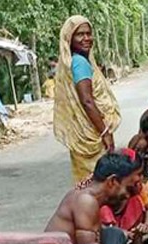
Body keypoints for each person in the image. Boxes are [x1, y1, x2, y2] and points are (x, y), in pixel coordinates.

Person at [53, 16, 121, 183]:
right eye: (80, 34)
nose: (86, 39)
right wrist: (104, 132)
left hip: (87, 134)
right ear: (69, 38)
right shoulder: (79, 63)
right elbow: (87, 101)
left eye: (89, 33)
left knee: (89, 182)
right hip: (92, 135)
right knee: (100, 184)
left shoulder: (76, 61)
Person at [98, 150, 148, 244]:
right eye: (138, 174)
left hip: (130, 235)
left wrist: (147, 225)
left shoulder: (136, 188)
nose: (141, 178)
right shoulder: (98, 198)